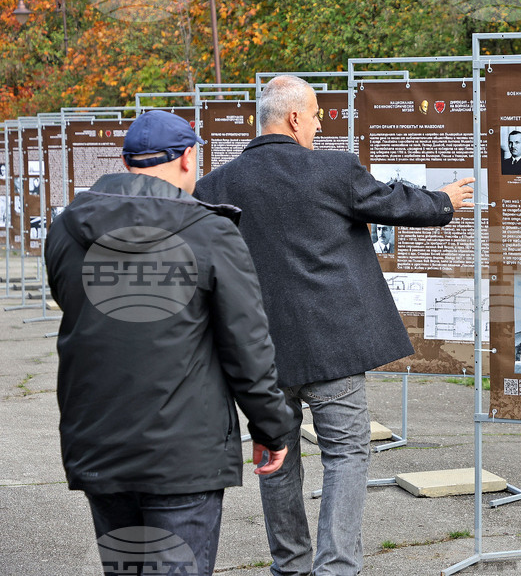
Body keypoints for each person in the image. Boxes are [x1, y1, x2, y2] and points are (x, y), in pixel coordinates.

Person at [194, 75, 474, 576]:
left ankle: (290, 566)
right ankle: (337, 568)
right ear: (296, 117)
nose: (321, 125)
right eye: (319, 115)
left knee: (275, 460)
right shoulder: (334, 169)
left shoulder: (216, 186)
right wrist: (445, 200)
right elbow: (394, 203)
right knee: (346, 456)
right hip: (332, 350)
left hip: (260, 357)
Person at [44, 110, 297, 576]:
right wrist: (271, 427)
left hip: (100, 443)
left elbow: (72, 304)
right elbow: (247, 345)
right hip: (184, 453)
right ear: (186, 158)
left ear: (128, 161)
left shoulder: (67, 228)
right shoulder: (211, 231)